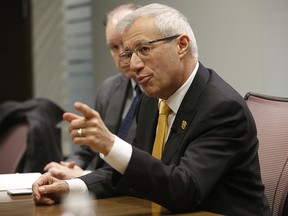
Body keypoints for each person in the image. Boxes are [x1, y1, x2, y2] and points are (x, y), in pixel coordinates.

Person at [32, 3, 270, 215]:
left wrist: (111, 144)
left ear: (181, 45)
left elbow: (185, 190)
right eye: (128, 53)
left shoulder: (222, 108)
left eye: (144, 49)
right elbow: (134, 173)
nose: (133, 65)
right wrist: (72, 187)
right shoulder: (151, 100)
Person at [42, 4, 142, 180]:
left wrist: (84, 176)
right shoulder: (109, 89)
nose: (121, 55)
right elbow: (89, 149)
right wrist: (72, 165)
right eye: (113, 47)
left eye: (126, 45)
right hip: (96, 188)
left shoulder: (160, 93)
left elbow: (144, 161)